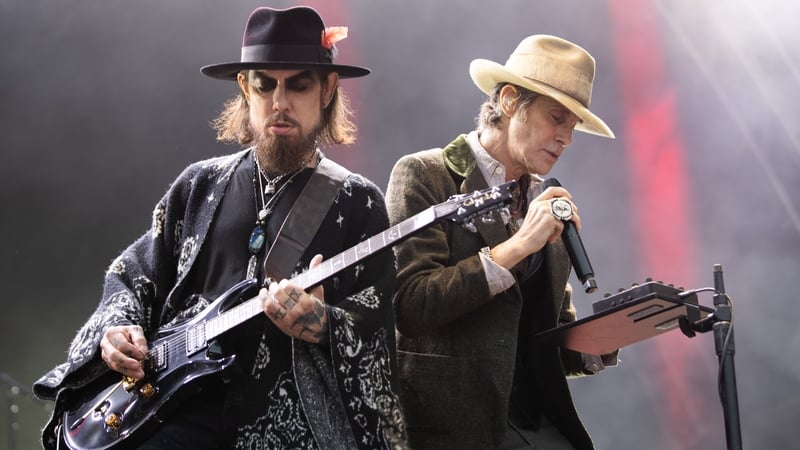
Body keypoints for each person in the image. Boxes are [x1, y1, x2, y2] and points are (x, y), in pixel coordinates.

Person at [33, 6, 407, 450]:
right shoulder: (198, 185)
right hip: (171, 411)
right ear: (245, 88)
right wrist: (119, 332)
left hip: (287, 425)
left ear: (327, 90)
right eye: (265, 84)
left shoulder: (360, 201)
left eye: (298, 84)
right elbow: (131, 279)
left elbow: (379, 327)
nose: (280, 102)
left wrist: (325, 325)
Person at [385, 35, 619, 450]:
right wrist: (519, 245)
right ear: (510, 100)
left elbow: (542, 340)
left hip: (537, 425)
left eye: (572, 125)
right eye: (557, 117)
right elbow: (411, 306)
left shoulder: (547, 203)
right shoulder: (426, 174)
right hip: (449, 429)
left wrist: (604, 340)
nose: (566, 137)